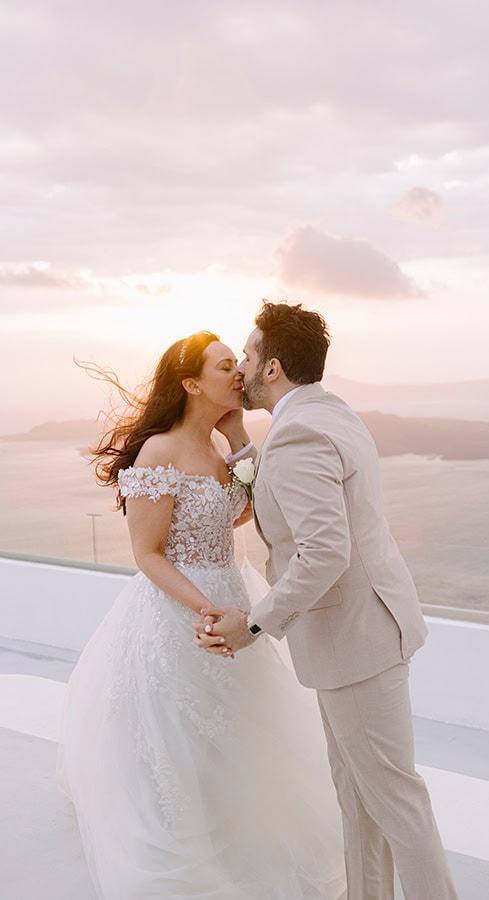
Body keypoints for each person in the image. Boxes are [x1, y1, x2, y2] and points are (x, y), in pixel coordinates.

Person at [56, 331, 345, 899]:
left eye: (239, 362)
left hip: (233, 600)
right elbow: (147, 554)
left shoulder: (218, 448)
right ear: (190, 384)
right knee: (180, 736)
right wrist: (207, 608)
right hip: (182, 611)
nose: (239, 372)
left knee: (241, 731)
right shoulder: (159, 451)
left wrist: (237, 438)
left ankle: (237, 840)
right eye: (224, 365)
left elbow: (247, 510)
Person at [196, 302, 459, 900]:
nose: (241, 367)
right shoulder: (326, 411)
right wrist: (238, 440)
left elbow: (324, 552)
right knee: (359, 796)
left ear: (272, 368)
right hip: (367, 632)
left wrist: (254, 624)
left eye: (248, 355)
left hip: (357, 643)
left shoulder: (297, 433)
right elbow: (282, 492)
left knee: (396, 799)